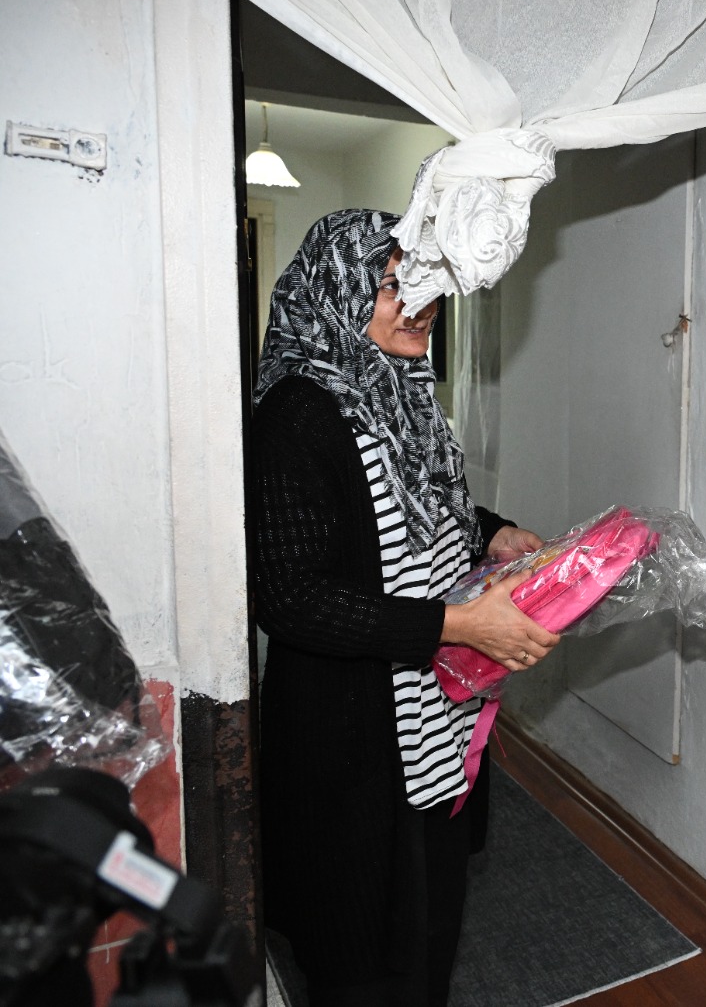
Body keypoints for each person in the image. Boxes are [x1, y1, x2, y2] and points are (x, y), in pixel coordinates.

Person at [251, 209, 559, 1006]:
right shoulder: (296, 413)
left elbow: (418, 509)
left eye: (427, 284)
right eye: (394, 285)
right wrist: (459, 625)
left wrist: (490, 534)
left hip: (433, 716)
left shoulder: (406, 394)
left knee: (427, 926)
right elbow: (290, 599)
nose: (419, 303)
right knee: (363, 954)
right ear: (337, 291)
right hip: (352, 732)